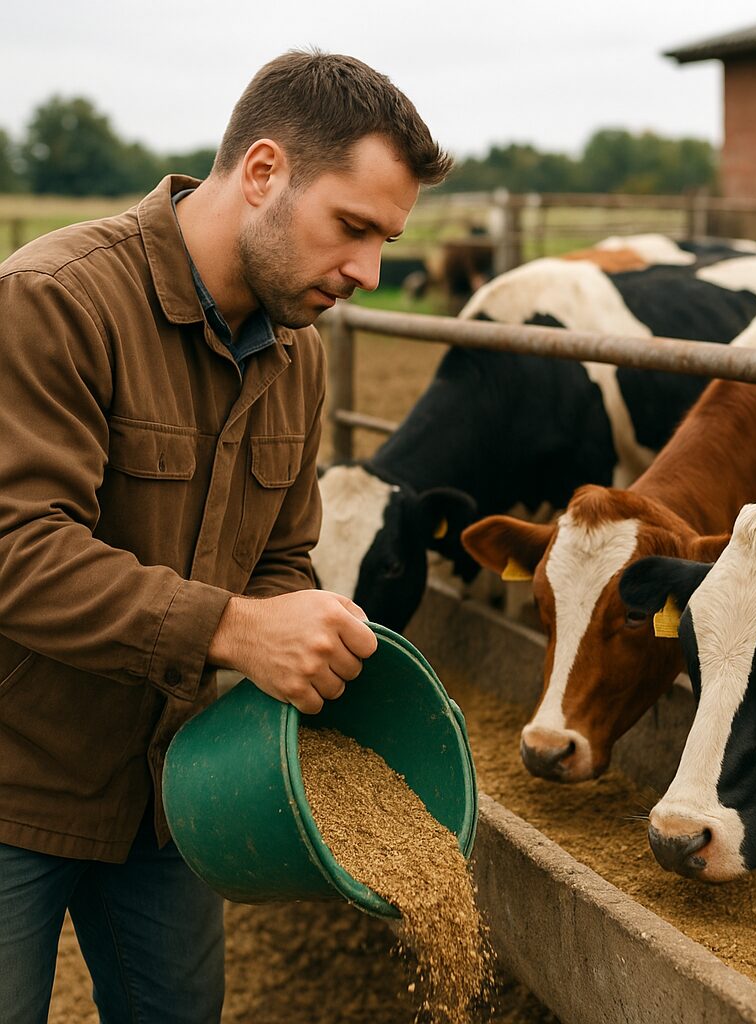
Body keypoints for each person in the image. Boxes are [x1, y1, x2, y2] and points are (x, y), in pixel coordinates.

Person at [0, 49, 452, 1023]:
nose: (369, 272)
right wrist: (236, 632)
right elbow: (17, 551)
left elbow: (282, 556)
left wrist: (307, 628)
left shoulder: (299, 356)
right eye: (353, 228)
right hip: (15, 775)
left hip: (177, 793)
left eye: (387, 241)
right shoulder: (55, 300)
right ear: (263, 173)